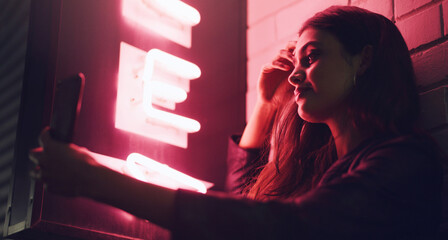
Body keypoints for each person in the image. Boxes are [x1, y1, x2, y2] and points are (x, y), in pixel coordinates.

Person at [29, 5, 444, 239]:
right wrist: (265, 106)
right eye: (296, 61)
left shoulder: (405, 160)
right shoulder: (328, 171)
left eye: (312, 57)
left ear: (364, 59)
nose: (296, 75)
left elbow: (287, 228)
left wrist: (98, 181)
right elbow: (248, 203)